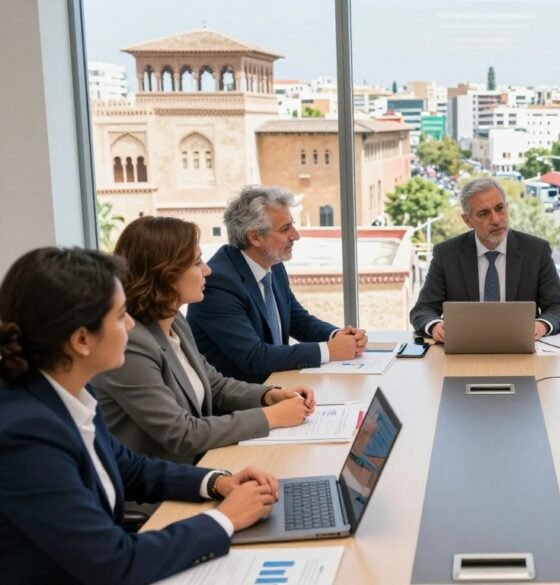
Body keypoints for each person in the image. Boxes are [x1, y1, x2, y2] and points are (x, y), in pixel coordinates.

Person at [0, 247, 279, 584]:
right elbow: (114, 562)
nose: (131, 324)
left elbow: (129, 467)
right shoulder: (24, 433)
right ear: (82, 340)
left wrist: (217, 482)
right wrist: (225, 520)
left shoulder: (71, 393)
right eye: (120, 316)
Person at [93, 216, 316, 465]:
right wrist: (271, 417)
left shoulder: (174, 320)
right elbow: (183, 434)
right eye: (197, 262)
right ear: (165, 273)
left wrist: (270, 395)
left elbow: (215, 385)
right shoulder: (130, 345)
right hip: (156, 495)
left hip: (198, 467)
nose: (208, 270)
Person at [187, 185, 367, 383]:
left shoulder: (273, 264)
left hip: (277, 386)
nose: (296, 235)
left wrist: (338, 336)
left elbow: (297, 320)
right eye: (285, 229)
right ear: (255, 237)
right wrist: (328, 350)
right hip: (241, 402)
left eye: (292, 225)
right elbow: (253, 357)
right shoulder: (219, 283)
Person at [409, 177, 560, 340]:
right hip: (464, 349)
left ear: (507, 208)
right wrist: (435, 326)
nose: (496, 220)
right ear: (467, 220)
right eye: (484, 213)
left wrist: (541, 325)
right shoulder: (446, 254)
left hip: (520, 348)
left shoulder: (536, 251)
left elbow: (559, 308)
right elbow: (423, 310)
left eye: (500, 208)